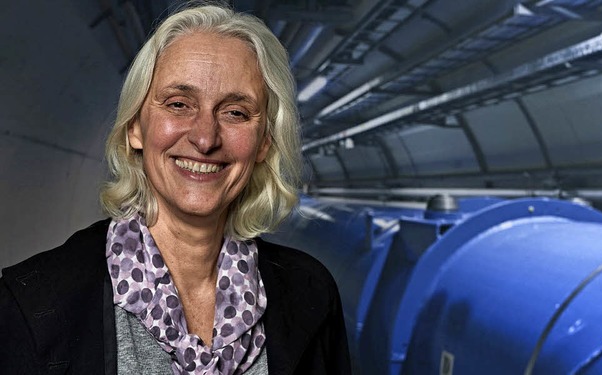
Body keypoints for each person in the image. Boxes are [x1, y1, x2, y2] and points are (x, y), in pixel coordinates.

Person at [0, 3, 351, 374]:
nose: (205, 138)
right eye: (179, 104)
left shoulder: (310, 294)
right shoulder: (31, 305)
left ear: (264, 141)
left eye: (235, 112)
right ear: (135, 127)